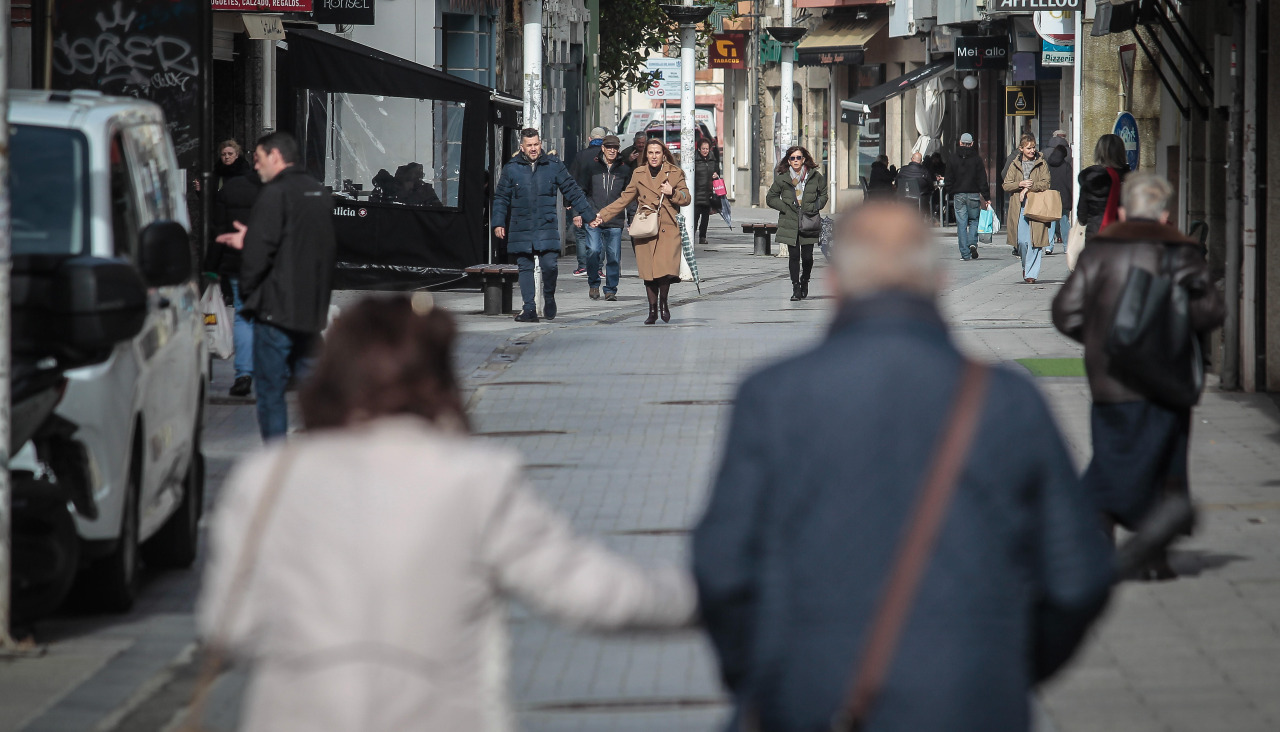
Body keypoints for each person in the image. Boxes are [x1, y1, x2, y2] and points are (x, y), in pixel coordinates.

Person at [693, 200, 1114, 732]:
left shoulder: (773, 397)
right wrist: (1003, 664)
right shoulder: (1008, 402)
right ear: (938, 280)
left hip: (811, 700)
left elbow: (722, 568)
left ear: (835, 284)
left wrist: (764, 675)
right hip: (971, 702)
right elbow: (1077, 574)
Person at [197, 297, 696, 732]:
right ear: (436, 379)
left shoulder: (267, 479)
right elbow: (590, 593)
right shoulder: (474, 478)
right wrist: (710, 591)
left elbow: (230, 624)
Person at [1052, 173, 1224, 581]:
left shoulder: (1100, 253)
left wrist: (1105, 340)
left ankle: (1102, 543)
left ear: (1125, 210)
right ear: (1165, 213)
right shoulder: (1183, 253)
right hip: (1167, 381)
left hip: (1112, 381)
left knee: (1112, 458)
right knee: (1167, 465)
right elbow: (1212, 312)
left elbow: (1066, 313)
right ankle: (1155, 556)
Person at [216, 131, 336, 441]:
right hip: (310, 313)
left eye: (258, 159)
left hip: (275, 312)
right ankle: (322, 451)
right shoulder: (317, 192)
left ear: (276, 157)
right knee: (315, 390)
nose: (255, 167)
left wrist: (247, 294)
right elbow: (312, 248)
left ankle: (277, 459)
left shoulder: (274, 194)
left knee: (270, 393)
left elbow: (260, 253)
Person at [491, 128, 596, 323]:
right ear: (522, 147)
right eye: (529, 145)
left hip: (545, 224)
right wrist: (498, 222)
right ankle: (529, 308)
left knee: (549, 266)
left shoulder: (553, 165)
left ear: (541, 144)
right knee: (525, 267)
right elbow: (501, 198)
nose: (533, 148)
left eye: (536, 144)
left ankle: (549, 297)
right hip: (520, 225)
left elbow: (572, 190)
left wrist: (589, 215)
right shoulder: (511, 168)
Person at [591, 139, 691, 324]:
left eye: (657, 153)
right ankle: (652, 310)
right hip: (646, 227)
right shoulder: (638, 173)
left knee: (665, 270)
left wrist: (672, 192)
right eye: (650, 153)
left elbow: (686, 198)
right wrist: (602, 215)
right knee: (649, 272)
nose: (654, 156)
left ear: (663, 155)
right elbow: (624, 199)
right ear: (646, 155)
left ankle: (663, 303)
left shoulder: (675, 173)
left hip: (668, 227)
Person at [208, 158, 263, 398]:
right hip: (271, 264)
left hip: (237, 262)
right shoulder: (279, 188)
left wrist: (212, 265)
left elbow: (218, 229)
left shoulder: (230, 188)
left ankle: (243, 374)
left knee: (243, 316)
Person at [766, 146, 828, 302]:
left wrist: (815, 206)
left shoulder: (815, 176)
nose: (795, 161)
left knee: (807, 257)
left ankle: (805, 280)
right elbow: (770, 198)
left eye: (798, 158)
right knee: (794, 256)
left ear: (804, 159)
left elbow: (824, 194)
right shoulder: (783, 179)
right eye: (792, 158)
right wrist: (785, 208)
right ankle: (795, 288)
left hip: (809, 221)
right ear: (788, 161)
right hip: (790, 222)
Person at [579, 135, 628, 301]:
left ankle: (610, 289)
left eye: (615, 147)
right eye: (609, 147)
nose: (612, 150)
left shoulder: (624, 169)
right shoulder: (591, 167)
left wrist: (633, 218)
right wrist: (582, 213)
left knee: (613, 256)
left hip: (615, 219)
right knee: (593, 250)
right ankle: (593, 283)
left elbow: (629, 196)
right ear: (603, 148)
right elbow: (581, 191)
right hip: (593, 217)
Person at [1002, 134, 1051, 284]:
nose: (1032, 150)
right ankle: (1026, 265)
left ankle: (1031, 274)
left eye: (1034, 147)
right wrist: (1021, 184)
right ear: (1021, 149)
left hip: (1037, 205)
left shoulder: (1042, 163)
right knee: (1022, 242)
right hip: (1020, 207)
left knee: (1035, 241)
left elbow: (1046, 183)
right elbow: (1006, 185)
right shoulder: (1014, 164)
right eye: (1028, 148)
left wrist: (1030, 188)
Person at [944, 132, 991, 261]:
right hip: (973, 194)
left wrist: (949, 191)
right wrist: (986, 196)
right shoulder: (977, 159)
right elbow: (982, 179)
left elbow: (948, 178)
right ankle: (972, 243)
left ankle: (965, 254)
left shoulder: (952, 158)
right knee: (974, 220)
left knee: (961, 224)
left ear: (960, 142)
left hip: (958, 194)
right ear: (972, 144)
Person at [569, 126, 608, 278]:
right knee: (602, 234)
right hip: (602, 201)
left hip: (581, 200)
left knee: (581, 234)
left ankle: (583, 266)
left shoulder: (580, 156)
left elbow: (572, 180)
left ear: (590, 139)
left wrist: (573, 208)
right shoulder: (607, 156)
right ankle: (598, 267)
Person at [1077, 134, 1130, 242]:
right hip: (1122, 237)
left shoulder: (1090, 179)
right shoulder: (1129, 180)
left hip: (1095, 237)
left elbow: (1082, 217)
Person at [1045, 136, 1073, 255]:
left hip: (1051, 197)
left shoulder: (1047, 165)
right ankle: (1066, 246)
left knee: (1050, 222)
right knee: (1064, 222)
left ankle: (1048, 246)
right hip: (1064, 198)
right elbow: (1070, 183)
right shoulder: (1066, 166)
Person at [693, 139, 722, 246]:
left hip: (708, 193)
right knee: (694, 218)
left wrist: (716, 174)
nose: (705, 151)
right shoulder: (694, 160)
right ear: (699, 149)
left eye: (707, 149)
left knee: (705, 218)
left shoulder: (712, 160)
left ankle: (702, 236)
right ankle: (691, 236)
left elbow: (716, 171)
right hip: (696, 193)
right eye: (703, 149)